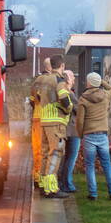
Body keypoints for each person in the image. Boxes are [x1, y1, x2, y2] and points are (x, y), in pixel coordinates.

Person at [33, 55, 74, 198]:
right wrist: (69, 109)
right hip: (56, 123)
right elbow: (64, 98)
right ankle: (51, 189)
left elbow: (35, 97)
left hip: (43, 121)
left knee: (45, 154)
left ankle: (44, 185)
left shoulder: (41, 80)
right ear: (61, 66)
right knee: (55, 153)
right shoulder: (59, 80)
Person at [75, 72, 111, 200]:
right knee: (107, 164)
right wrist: (102, 82)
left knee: (90, 165)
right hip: (103, 135)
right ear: (98, 83)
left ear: (88, 83)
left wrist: (81, 134)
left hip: (89, 135)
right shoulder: (105, 95)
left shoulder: (83, 99)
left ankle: (93, 194)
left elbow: (80, 121)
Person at [28, 57, 53, 190]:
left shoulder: (36, 82)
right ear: (51, 67)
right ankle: (44, 178)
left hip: (37, 118)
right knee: (48, 150)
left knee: (37, 149)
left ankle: (37, 177)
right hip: (48, 119)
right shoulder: (53, 81)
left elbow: (32, 101)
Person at [59, 69, 81, 194]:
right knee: (71, 158)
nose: (74, 80)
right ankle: (68, 184)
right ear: (67, 80)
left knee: (66, 158)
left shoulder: (63, 92)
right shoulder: (69, 94)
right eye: (72, 77)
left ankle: (64, 182)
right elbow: (78, 110)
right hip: (72, 130)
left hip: (65, 129)